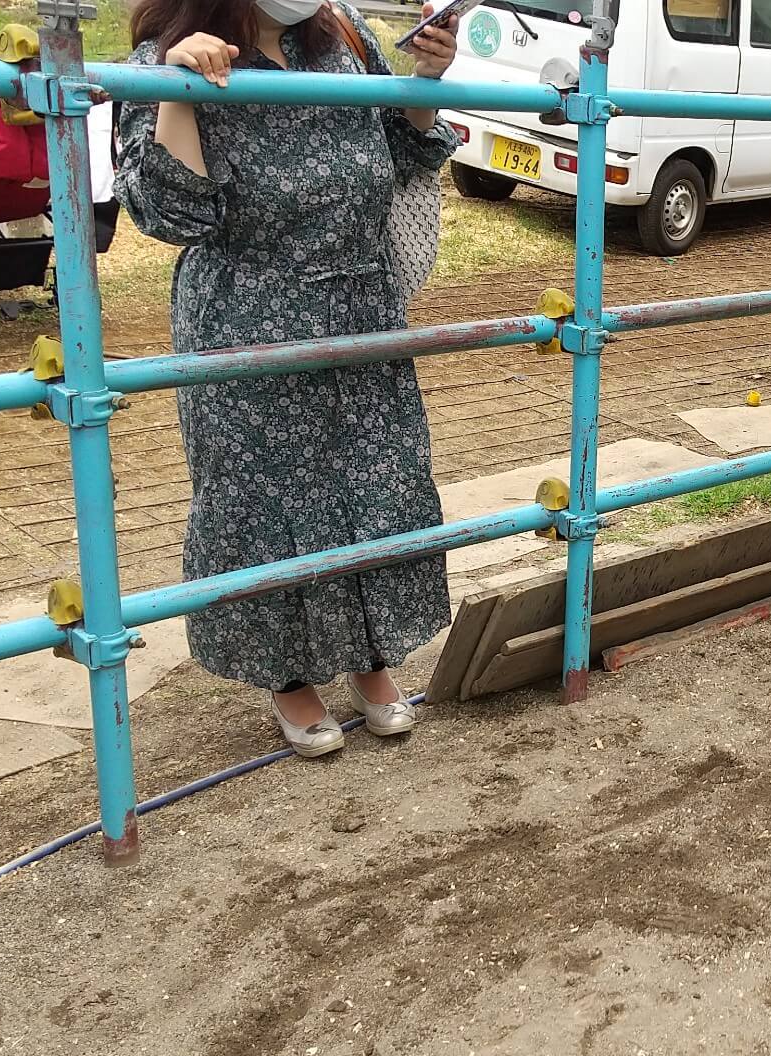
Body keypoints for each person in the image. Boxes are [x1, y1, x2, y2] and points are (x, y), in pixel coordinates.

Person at [115, 0, 460, 756]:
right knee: (264, 500)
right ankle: (289, 677)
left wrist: (429, 75)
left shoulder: (344, 40)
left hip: (361, 304)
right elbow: (168, 212)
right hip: (249, 316)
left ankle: (372, 661)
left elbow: (403, 153)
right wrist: (182, 89)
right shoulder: (160, 60)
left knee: (381, 483)